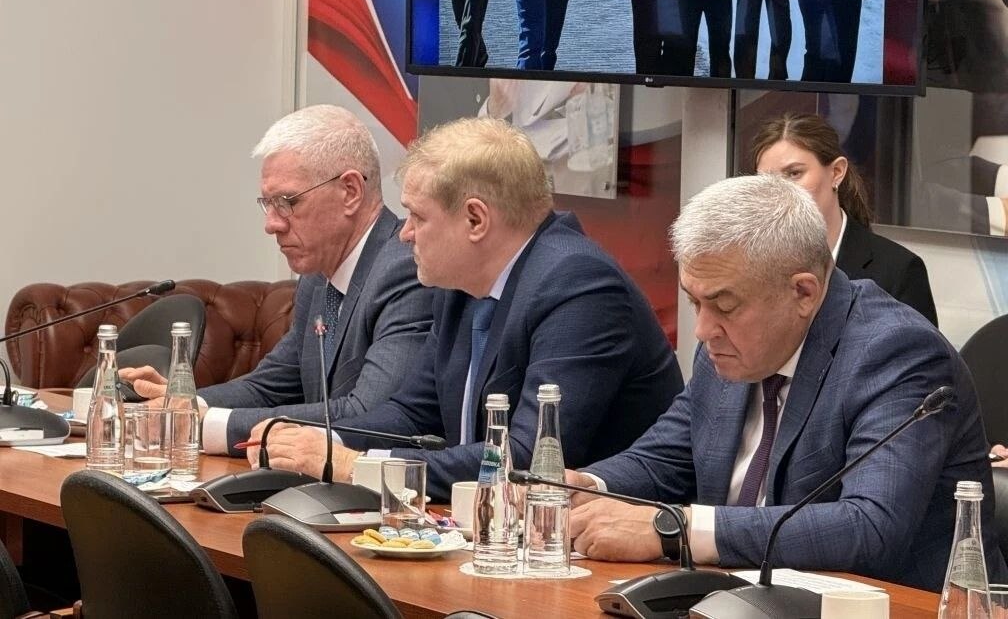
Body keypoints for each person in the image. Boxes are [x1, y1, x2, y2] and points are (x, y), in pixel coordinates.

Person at [567, 174, 1006, 592]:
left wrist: (675, 530)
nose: (703, 329)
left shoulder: (897, 352)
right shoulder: (727, 347)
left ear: (803, 293)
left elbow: (869, 526)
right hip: (740, 597)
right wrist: (581, 487)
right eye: (694, 302)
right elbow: (665, 458)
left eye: (724, 305)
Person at [251, 117, 684, 500]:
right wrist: (316, 442)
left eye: (418, 217)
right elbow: (411, 413)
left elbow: (529, 457)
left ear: (475, 220)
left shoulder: (578, 286)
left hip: (586, 542)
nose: (404, 233)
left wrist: (355, 466)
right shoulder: (459, 283)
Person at [121, 105, 434, 454]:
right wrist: (182, 403)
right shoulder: (317, 278)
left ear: (350, 191)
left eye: (286, 202)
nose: (271, 224)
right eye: (267, 204)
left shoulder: (405, 270)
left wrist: (201, 424)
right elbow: (269, 386)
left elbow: (368, 414)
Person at [752, 112, 938, 326]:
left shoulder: (898, 270)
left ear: (837, 172)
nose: (779, 190)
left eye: (794, 174)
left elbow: (920, 348)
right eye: (767, 181)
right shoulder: (752, 265)